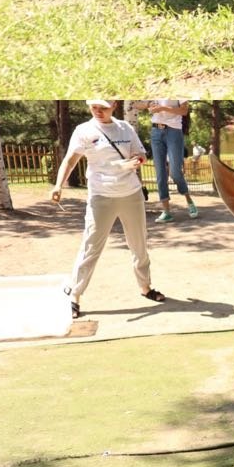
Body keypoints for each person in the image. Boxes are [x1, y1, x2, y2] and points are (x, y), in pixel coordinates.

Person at [51, 100, 165, 318]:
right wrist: (58, 186)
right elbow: (70, 160)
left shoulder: (125, 128)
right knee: (90, 246)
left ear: (113, 105)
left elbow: (141, 154)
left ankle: (145, 288)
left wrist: (136, 161)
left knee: (138, 244)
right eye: (94, 106)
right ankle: (74, 296)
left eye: (103, 107)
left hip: (130, 193)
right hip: (101, 196)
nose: (98, 111)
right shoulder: (84, 130)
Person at [136, 100, 198, 222]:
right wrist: (148, 105)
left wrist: (163, 108)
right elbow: (136, 104)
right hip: (156, 132)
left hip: (174, 132)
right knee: (160, 173)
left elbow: (184, 111)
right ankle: (166, 212)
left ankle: (189, 200)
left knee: (174, 172)